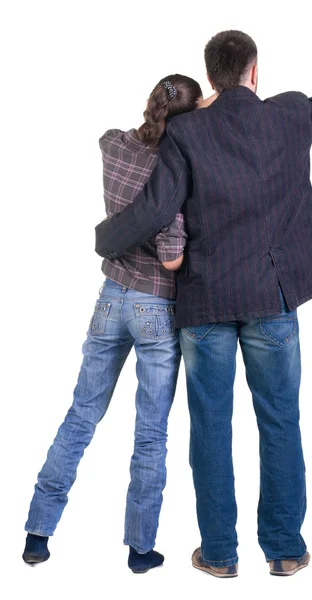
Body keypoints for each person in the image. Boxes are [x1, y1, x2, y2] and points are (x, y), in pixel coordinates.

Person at [95, 30, 312, 578]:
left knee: (210, 427)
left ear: (210, 78)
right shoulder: (288, 115)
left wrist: (105, 239)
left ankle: (220, 556)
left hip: (206, 302)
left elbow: (157, 209)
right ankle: (283, 549)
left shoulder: (185, 132)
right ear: (256, 72)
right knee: (280, 421)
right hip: (271, 298)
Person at [23, 74, 206, 574]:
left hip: (110, 297)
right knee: (150, 433)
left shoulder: (113, 145)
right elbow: (171, 258)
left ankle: (37, 534)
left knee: (81, 415)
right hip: (155, 306)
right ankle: (140, 550)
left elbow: (125, 138)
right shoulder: (172, 172)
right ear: (189, 121)